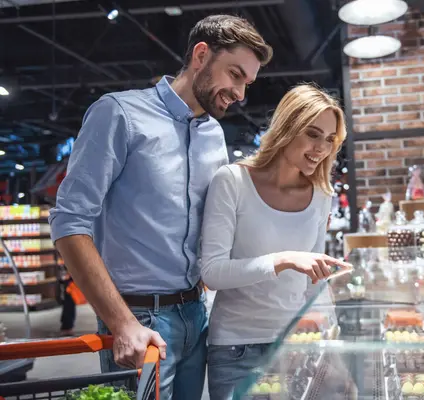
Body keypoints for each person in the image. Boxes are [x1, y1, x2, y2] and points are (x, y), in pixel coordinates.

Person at [48, 15, 272, 399]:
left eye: (246, 83)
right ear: (201, 55)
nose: (239, 94)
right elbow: (69, 223)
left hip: (195, 314)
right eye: (234, 75)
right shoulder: (119, 113)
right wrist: (120, 322)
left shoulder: (213, 135)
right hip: (138, 319)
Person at [200, 83, 353, 399]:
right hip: (236, 349)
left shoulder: (320, 195)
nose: (322, 148)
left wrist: (333, 346)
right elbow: (212, 273)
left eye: (330, 139)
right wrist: (283, 260)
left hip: (298, 345)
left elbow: (316, 282)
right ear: (287, 128)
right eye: (313, 134)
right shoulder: (232, 181)